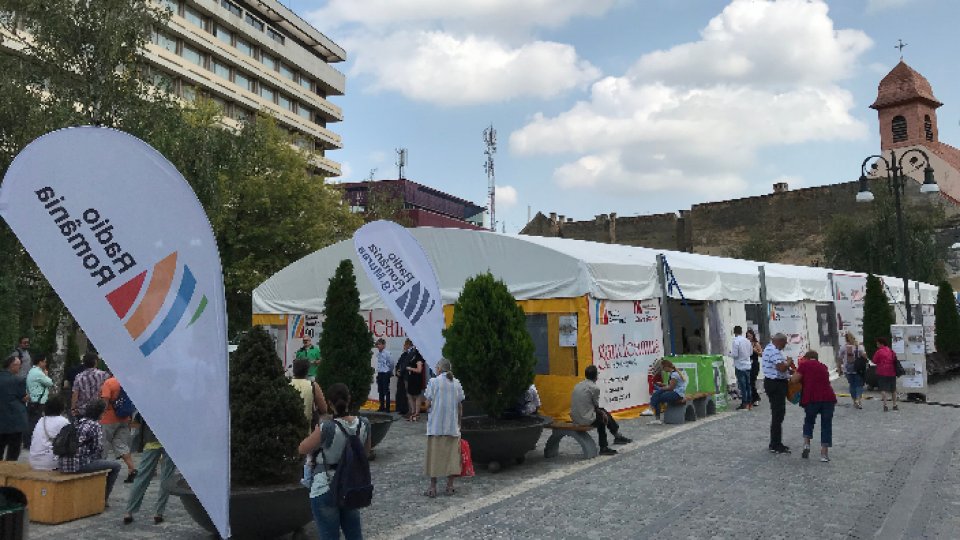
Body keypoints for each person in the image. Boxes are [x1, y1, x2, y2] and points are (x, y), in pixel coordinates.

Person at [298, 383, 370, 540]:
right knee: (354, 535)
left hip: (326, 485)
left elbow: (302, 448)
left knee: (329, 536)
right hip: (351, 485)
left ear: (330, 403)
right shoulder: (364, 423)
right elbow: (365, 453)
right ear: (349, 399)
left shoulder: (327, 427)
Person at [60, 400, 121, 504]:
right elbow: (98, 449)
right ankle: (103, 499)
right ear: (100, 413)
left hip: (63, 463)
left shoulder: (77, 421)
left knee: (99, 461)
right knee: (116, 466)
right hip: (79, 465)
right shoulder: (95, 425)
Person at [422, 358, 464, 498]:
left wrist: (429, 409)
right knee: (452, 457)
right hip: (451, 426)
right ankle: (450, 486)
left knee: (434, 456)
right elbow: (459, 405)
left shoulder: (433, 382)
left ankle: (433, 487)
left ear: (439, 368)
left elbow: (427, 404)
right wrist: (459, 423)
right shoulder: (456, 382)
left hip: (436, 425)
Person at [123, 417, 177, 525]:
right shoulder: (176, 401)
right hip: (171, 439)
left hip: (151, 438)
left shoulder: (150, 400)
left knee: (142, 477)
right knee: (166, 477)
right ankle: (159, 513)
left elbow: (137, 421)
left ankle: (129, 511)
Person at [570, 365, 631, 455]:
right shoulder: (594, 388)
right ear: (596, 376)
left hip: (575, 417)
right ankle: (605, 446)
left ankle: (616, 435)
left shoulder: (577, 385)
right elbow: (596, 406)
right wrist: (603, 414)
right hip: (585, 418)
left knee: (603, 413)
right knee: (602, 418)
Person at [790, 350, 837, 462]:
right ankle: (824, 454)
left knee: (809, 421)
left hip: (812, 398)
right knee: (826, 425)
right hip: (828, 398)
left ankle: (807, 444)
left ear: (806, 357)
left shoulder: (804, 365)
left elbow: (794, 379)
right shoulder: (823, 366)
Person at [100, 371, 137, 483]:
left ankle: (101, 470)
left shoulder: (109, 383)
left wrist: (100, 415)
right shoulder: (128, 382)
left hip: (108, 419)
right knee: (121, 444)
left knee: (104, 444)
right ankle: (132, 468)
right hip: (124, 418)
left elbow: (105, 402)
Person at [762, 333, 796, 454]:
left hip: (774, 382)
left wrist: (790, 370)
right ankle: (775, 444)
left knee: (779, 414)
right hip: (775, 384)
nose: (785, 345)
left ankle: (777, 442)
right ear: (779, 341)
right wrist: (788, 362)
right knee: (778, 414)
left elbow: (782, 369)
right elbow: (781, 368)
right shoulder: (773, 350)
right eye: (784, 343)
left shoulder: (771, 349)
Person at [29, 394, 70, 470]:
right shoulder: (63, 421)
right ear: (61, 408)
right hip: (50, 463)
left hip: (33, 461)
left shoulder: (41, 420)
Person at [0, 353, 27, 461]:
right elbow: (23, 397)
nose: (19, 367)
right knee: (13, 451)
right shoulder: (18, 380)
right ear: (12, 365)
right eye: (18, 365)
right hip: (14, 421)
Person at [289, 358, 327, 432]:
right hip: (309, 429)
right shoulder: (313, 385)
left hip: (290, 429)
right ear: (307, 371)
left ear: (294, 370)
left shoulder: (287, 384)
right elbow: (324, 409)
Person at [25, 353, 54, 449]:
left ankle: (28, 442)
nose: (45, 364)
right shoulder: (38, 373)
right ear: (40, 362)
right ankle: (29, 443)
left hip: (33, 401)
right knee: (34, 423)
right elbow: (50, 383)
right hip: (37, 402)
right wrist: (46, 375)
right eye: (45, 362)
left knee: (32, 422)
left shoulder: (32, 371)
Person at [648, 360, 687, 425]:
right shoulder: (674, 373)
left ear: (666, 367)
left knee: (658, 396)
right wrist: (663, 385)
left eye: (663, 368)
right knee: (658, 395)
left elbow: (671, 388)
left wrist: (661, 389)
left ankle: (652, 410)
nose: (663, 370)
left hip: (677, 394)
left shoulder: (674, 374)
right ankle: (652, 409)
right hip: (677, 393)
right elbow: (673, 386)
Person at [71, 353, 108, 418]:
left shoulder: (79, 377)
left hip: (82, 410)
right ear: (96, 362)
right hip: (98, 409)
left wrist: (73, 408)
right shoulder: (103, 375)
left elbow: (75, 393)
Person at [836, 332, 866, 409]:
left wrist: (839, 369)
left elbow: (839, 359)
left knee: (852, 385)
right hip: (858, 369)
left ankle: (854, 400)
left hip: (848, 369)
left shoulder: (843, 347)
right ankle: (858, 400)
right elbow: (865, 356)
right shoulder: (859, 346)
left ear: (846, 339)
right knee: (859, 385)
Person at [872, 336, 898, 412]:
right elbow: (894, 359)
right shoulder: (891, 351)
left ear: (881, 344)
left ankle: (885, 405)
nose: (877, 345)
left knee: (883, 389)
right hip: (892, 371)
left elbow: (874, 361)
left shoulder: (879, 352)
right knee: (893, 389)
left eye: (878, 344)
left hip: (882, 372)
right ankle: (895, 404)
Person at [730, 326, 753, 410]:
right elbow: (750, 353)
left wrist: (729, 354)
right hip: (747, 365)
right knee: (748, 385)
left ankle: (744, 403)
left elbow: (735, 354)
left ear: (734, 332)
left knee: (742, 386)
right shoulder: (747, 341)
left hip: (739, 366)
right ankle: (750, 402)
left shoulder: (736, 341)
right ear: (741, 331)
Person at [405, 342, 426, 421]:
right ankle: (413, 411)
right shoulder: (411, 356)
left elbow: (419, 370)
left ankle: (417, 413)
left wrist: (410, 369)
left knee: (417, 396)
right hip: (411, 378)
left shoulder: (419, 357)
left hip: (416, 378)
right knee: (410, 395)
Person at [394, 340, 413, 416]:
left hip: (407, 377)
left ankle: (407, 410)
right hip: (401, 377)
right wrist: (397, 371)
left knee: (407, 394)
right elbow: (398, 364)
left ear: (409, 345)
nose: (404, 346)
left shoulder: (411, 354)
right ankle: (401, 409)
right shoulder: (403, 355)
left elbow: (408, 365)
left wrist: (401, 371)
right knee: (400, 393)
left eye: (405, 345)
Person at [374, 339, 393, 412]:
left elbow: (391, 363)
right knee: (380, 390)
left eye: (379, 344)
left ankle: (387, 408)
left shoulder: (387, 353)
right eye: (377, 344)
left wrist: (390, 371)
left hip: (386, 372)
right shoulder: (378, 354)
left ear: (383, 345)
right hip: (380, 373)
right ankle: (381, 406)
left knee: (386, 390)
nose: (378, 346)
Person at [746, 328, 762, 406]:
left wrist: (754, 350)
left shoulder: (756, 344)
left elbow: (761, 354)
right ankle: (754, 398)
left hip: (754, 364)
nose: (749, 337)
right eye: (748, 336)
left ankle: (756, 398)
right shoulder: (745, 343)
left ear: (753, 336)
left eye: (750, 336)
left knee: (752, 381)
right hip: (747, 364)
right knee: (749, 382)